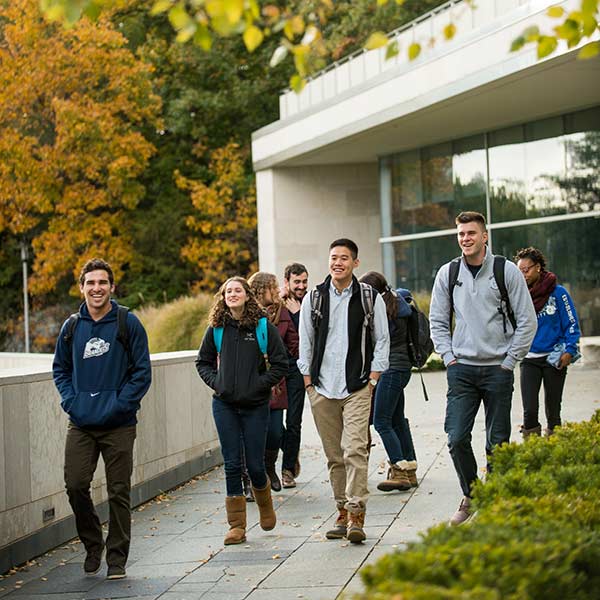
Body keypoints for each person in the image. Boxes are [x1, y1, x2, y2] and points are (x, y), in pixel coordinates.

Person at [429, 212, 536, 526]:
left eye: (471, 233)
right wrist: (448, 357)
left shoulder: (506, 271)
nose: (465, 239)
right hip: (461, 369)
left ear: (485, 236)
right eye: (461, 234)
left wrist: (509, 361)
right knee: (456, 438)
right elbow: (437, 320)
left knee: (497, 442)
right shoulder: (448, 273)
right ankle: (473, 493)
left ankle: (496, 503)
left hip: (498, 370)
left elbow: (527, 321)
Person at [53, 258, 152, 580]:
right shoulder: (71, 327)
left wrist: (121, 405)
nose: (97, 289)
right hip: (81, 423)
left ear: (112, 287)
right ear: (82, 287)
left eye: (102, 283)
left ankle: (116, 558)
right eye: (91, 283)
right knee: (75, 485)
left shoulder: (128, 323)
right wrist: (72, 402)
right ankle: (93, 544)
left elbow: (142, 373)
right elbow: (61, 370)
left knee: (118, 491)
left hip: (119, 424)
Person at [298, 239, 389, 543]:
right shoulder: (314, 298)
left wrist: (373, 378)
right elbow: (305, 342)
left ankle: (356, 514)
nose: (338, 263)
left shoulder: (368, 297)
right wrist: (308, 383)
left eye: (344, 258)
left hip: (357, 387)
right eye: (334, 257)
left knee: (355, 450)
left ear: (355, 263)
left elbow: (382, 339)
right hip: (322, 388)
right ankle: (340, 511)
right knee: (334, 455)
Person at [195, 276, 288, 545]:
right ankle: (237, 525)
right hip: (224, 404)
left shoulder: (262, 328)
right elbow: (202, 362)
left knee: (256, 464)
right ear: (223, 297)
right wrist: (218, 383)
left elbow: (281, 364)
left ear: (247, 295)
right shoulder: (216, 328)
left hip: (255, 405)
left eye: (238, 290)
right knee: (232, 463)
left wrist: (260, 385)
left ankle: (265, 503)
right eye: (228, 291)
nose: (232, 294)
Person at [359, 271, 418, 492]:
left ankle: (399, 469)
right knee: (396, 419)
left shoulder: (383, 311)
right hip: (402, 369)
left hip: (390, 370)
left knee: (381, 420)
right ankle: (410, 468)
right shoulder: (397, 304)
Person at [514, 247, 581, 437]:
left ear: (538, 268)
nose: (523, 274)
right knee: (529, 410)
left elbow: (571, 323)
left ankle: (554, 452)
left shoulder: (558, 293)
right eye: (520, 270)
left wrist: (569, 349)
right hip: (529, 359)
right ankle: (533, 453)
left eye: (526, 269)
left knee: (553, 409)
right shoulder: (518, 295)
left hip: (554, 358)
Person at [248, 271, 299, 492]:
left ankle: (270, 467)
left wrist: (285, 362)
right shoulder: (246, 315)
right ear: (261, 289)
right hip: (251, 381)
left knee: (276, 431)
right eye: (272, 287)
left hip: (277, 382)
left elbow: (293, 341)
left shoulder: (282, 312)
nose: (277, 291)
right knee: (253, 431)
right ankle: (255, 475)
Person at [280, 263, 309, 487]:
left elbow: (311, 337)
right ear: (287, 282)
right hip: (276, 370)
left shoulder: (310, 302)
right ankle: (289, 448)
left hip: (298, 370)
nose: (301, 286)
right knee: (271, 423)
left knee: (294, 421)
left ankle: (287, 470)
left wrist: (298, 315)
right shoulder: (276, 304)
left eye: (304, 281)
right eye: (297, 282)